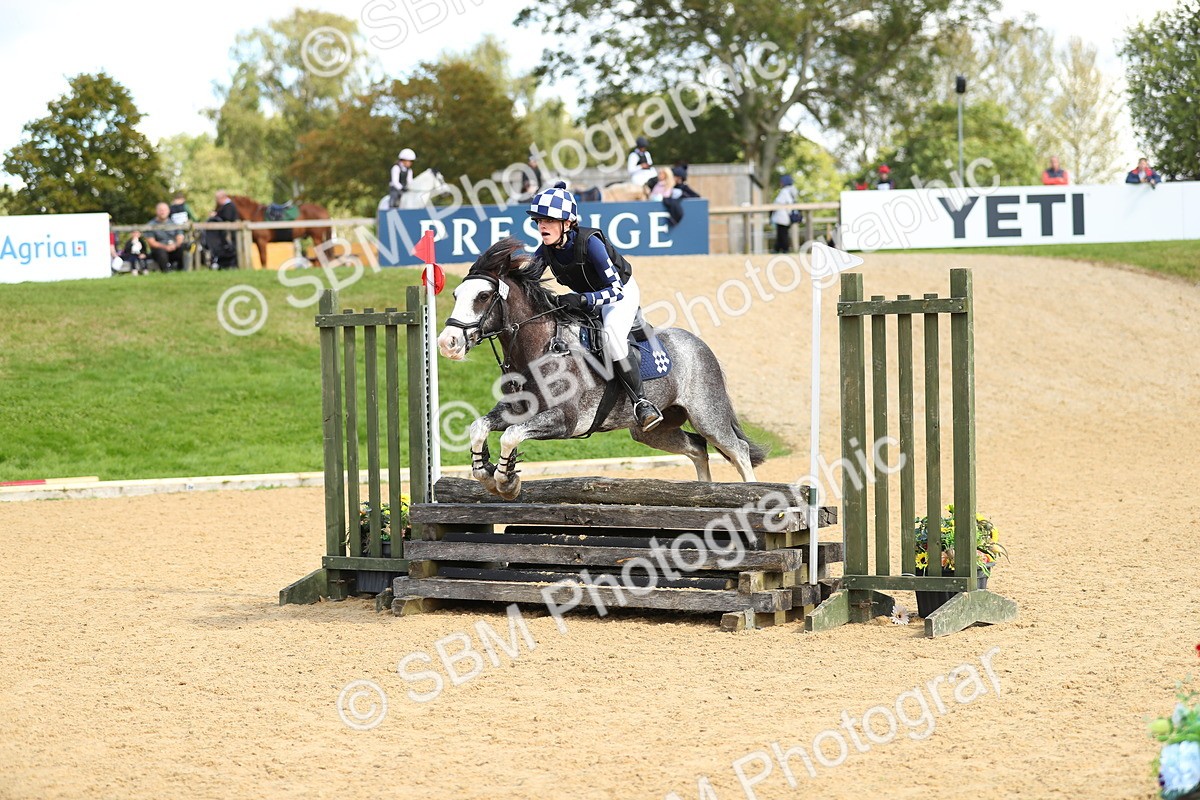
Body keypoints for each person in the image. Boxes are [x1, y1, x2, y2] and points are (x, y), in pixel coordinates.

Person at [526, 181, 663, 432]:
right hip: (589, 298)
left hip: (620, 295)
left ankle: (642, 403)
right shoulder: (545, 251)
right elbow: (526, 281)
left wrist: (582, 300)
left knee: (612, 337)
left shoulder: (591, 243)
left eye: (548, 220)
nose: (541, 226)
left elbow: (616, 290)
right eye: (538, 221)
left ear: (567, 223)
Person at [145, 202, 186, 272]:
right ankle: (166, 271)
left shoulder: (174, 223)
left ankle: (181, 269)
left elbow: (180, 237)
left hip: (173, 248)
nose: (163, 212)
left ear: (168, 211)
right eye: (161, 210)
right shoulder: (150, 225)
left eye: (164, 210)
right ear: (156, 211)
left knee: (183, 247)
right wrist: (165, 247)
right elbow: (151, 242)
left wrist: (174, 245)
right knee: (160, 251)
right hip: (159, 251)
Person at [205, 190, 240, 269]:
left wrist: (216, 215)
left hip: (230, 235)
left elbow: (226, 218)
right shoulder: (226, 206)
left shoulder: (229, 206)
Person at [771, 174, 801, 254]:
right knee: (783, 234)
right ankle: (779, 249)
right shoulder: (792, 190)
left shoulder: (785, 191)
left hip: (782, 216)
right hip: (787, 215)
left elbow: (778, 203)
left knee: (782, 234)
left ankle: (783, 249)